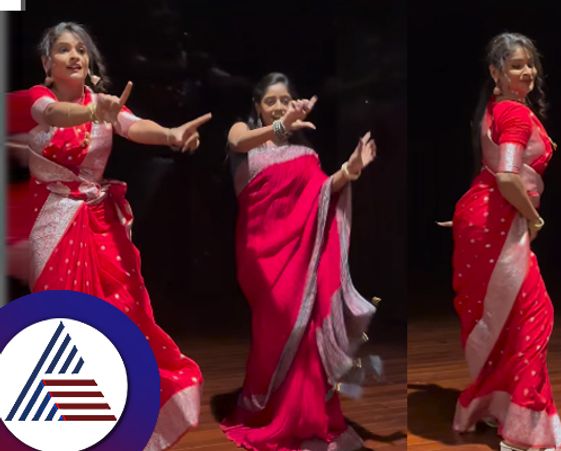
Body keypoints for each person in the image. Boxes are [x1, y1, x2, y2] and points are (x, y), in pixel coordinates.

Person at [8, 22, 211, 449]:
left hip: (102, 227)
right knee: (62, 327)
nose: (75, 56)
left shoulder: (101, 102)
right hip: (53, 223)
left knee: (122, 320)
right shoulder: (37, 99)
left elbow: (135, 126)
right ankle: (59, 431)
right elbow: (53, 116)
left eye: (81, 49)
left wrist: (171, 135)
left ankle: (114, 425)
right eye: (64, 50)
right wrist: (91, 112)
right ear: (48, 64)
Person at [220, 72, 380, 450]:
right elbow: (237, 140)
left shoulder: (307, 152)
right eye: (270, 101)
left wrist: (351, 169)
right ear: (258, 106)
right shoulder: (244, 135)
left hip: (301, 254)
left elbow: (323, 193)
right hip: (261, 256)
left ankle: (306, 417)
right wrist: (280, 125)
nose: (277, 106)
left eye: (284, 100)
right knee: (276, 326)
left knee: (306, 335)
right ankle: (263, 409)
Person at [450, 33, 561, 451]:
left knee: (505, 322)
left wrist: (470, 219)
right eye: (516, 65)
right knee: (536, 318)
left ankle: (493, 406)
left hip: (482, 221)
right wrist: (534, 215)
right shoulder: (514, 114)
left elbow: (490, 173)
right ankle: (522, 431)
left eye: (530, 64)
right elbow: (505, 177)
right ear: (495, 72)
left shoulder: (494, 110)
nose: (527, 72)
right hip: (498, 225)